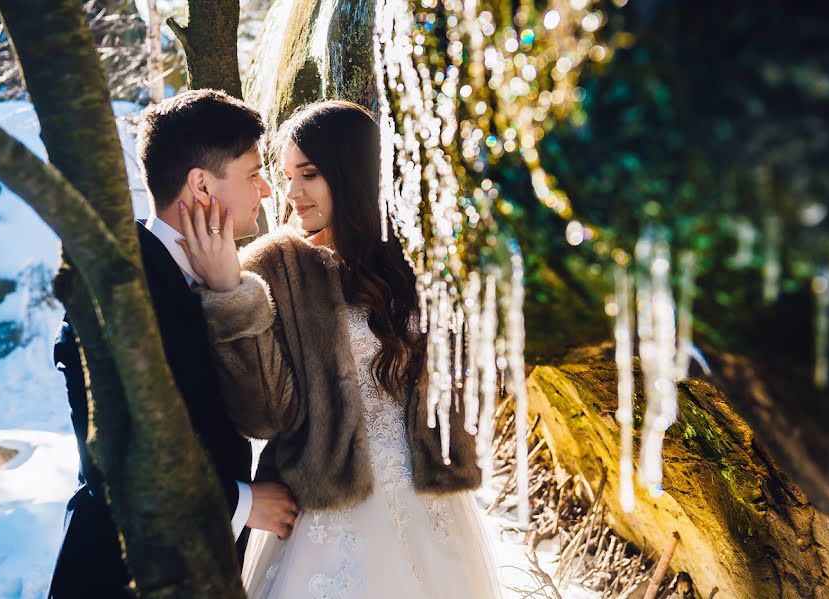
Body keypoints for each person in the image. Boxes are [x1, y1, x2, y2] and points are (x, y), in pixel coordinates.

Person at [180, 100, 502, 598]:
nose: (291, 193)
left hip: (430, 505)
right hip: (326, 511)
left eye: (307, 174)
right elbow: (263, 416)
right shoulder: (272, 267)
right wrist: (230, 295)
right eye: (285, 176)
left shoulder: (417, 258)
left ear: (351, 172)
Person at [48, 89, 299, 599]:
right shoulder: (116, 292)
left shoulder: (227, 279)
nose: (268, 191)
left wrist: (228, 293)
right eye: (252, 173)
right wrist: (244, 504)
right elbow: (113, 464)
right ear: (201, 184)